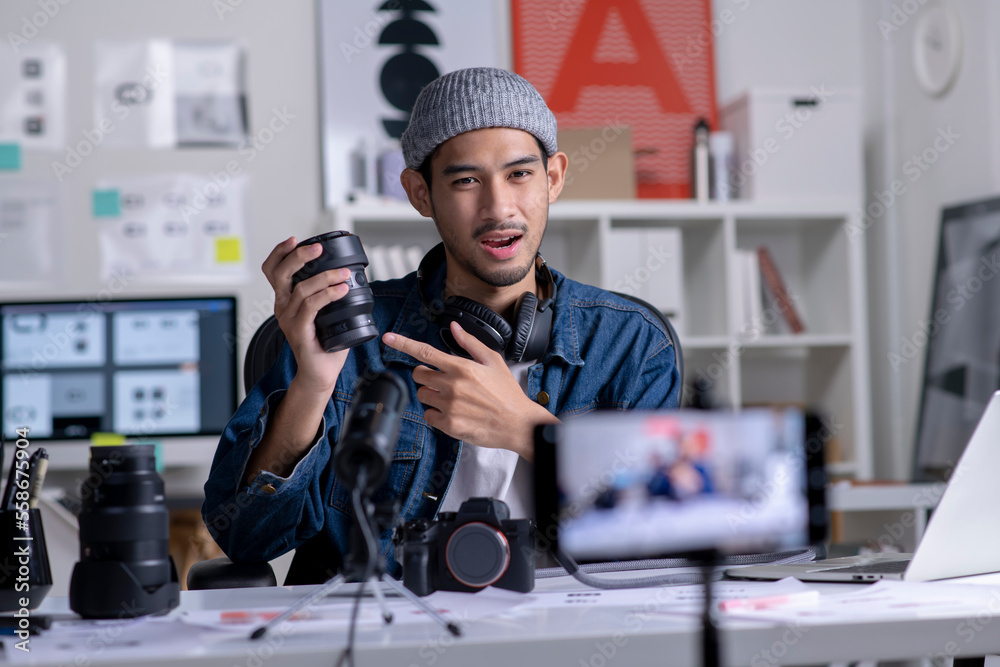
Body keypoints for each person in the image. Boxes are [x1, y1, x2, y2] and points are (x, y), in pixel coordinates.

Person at [203, 67, 680, 582]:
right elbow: (245, 538)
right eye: (466, 181)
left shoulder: (631, 343)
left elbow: (658, 540)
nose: (499, 208)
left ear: (554, 177)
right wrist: (313, 384)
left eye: (520, 174)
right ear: (420, 193)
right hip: (383, 638)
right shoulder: (350, 335)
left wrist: (526, 430)